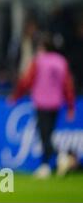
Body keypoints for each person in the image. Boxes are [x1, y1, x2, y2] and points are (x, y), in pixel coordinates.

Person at [9, 34, 76, 178]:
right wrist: (71, 106)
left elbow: (27, 81)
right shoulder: (61, 61)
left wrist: (16, 96)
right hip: (56, 104)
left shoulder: (39, 61)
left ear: (43, 48)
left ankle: (57, 159)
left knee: (44, 135)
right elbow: (68, 85)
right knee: (48, 134)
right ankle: (48, 164)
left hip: (42, 102)